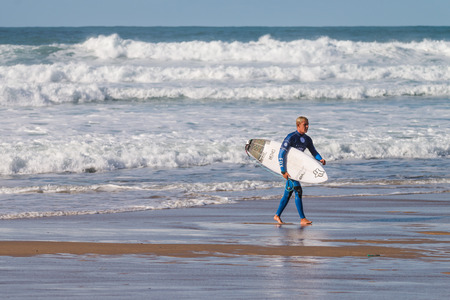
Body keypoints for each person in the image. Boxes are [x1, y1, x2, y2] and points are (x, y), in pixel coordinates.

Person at [274, 116, 326, 225]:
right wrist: (283, 170)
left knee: (288, 193)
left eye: (308, 124)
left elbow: (313, 152)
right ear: (298, 125)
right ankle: (302, 218)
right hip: (289, 169)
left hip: (296, 169)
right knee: (298, 190)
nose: (307, 126)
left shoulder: (307, 139)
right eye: (304, 125)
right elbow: (281, 153)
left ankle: (277, 215)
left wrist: (320, 159)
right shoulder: (291, 137)